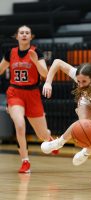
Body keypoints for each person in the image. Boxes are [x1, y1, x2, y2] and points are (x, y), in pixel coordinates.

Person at [41, 60, 91, 183]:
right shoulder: (80, 77)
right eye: (78, 81)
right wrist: (48, 82)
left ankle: (86, 152)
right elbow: (57, 62)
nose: (79, 84)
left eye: (84, 82)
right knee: (84, 125)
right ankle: (58, 143)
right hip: (88, 100)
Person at [0, 25, 57, 173]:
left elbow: (45, 74)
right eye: (21, 33)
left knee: (42, 134)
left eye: (27, 33)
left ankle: (49, 139)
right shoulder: (10, 53)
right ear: (17, 36)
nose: (24, 35)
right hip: (15, 93)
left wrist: (36, 61)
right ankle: (25, 161)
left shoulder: (36, 52)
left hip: (32, 94)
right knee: (19, 125)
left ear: (31, 37)